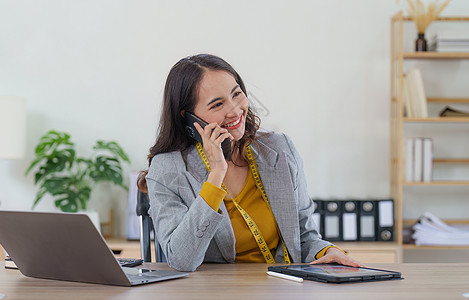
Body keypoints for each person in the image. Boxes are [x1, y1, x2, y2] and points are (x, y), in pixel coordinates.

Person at [138, 54, 361, 272]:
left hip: (282, 290)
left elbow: (304, 237)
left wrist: (327, 252)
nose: (235, 110)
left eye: (236, 94)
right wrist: (216, 173)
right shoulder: (168, 168)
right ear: (189, 118)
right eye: (217, 105)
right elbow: (181, 259)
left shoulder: (279, 149)